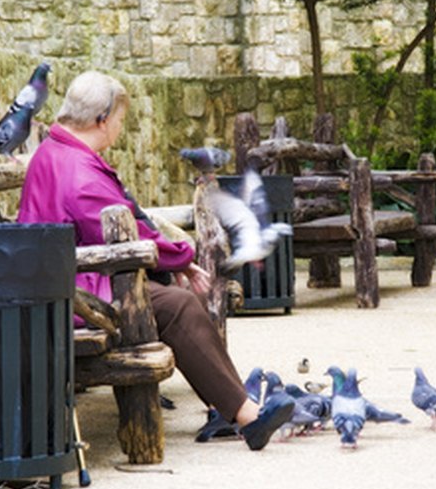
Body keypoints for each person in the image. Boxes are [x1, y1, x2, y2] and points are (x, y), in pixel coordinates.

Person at [17, 70, 294, 451]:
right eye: (119, 120)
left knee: (174, 297)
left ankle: (235, 407)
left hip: (62, 283)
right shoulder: (79, 172)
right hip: (77, 297)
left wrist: (172, 265)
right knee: (178, 304)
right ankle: (247, 417)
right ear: (101, 119)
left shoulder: (56, 151)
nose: (119, 128)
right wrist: (182, 256)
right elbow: (128, 235)